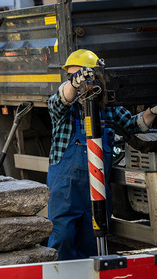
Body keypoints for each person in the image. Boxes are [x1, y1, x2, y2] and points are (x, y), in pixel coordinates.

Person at [47, 49, 156, 260]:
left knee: (93, 241)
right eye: (72, 77)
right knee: (63, 237)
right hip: (66, 191)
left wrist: (152, 112)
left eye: (81, 76)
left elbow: (134, 125)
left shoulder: (107, 109)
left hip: (96, 193)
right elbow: (60, 98)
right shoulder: (63, 111)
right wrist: (74, 83)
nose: (77, 82)